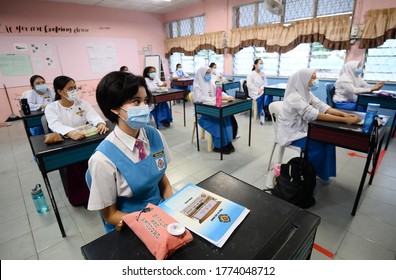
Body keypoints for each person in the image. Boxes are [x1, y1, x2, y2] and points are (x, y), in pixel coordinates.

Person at [87, 71, 173, 233]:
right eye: (136, 101)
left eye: (145, 100)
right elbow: (109, 214)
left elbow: (163, 180)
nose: (144, 107)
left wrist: (171, 209)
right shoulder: (102, 160)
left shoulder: (155, 135)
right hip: (131, 223)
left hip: (163, 212)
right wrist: (149, 223)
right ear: (114, 109)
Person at [277, 68, 361, 181]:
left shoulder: (306, 92)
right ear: (304, 79)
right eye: (313, 77)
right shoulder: (294, 97)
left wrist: (344, 115)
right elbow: (314, 114)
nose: (316, 80)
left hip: (302, 130)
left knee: (329, 141)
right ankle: (310, 175)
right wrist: (345, 121)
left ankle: (324, 174)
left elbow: (322, 107)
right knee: (318, 144)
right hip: (291, 134)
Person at [45, 75, 109, 206]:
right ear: (60, 92)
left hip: (83, 138)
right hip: (67, 142)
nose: (74, 91)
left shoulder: (82, 103)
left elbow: (93, 116)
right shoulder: (52, 108)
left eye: (75, 87)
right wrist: (70, 132)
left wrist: (100, 124)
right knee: (76, 165)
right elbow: (54, 124)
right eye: (70, 88)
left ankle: (101, 191)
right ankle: (82, 197)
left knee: (97, 161)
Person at [192, 66, 235, 154]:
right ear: (202, 74)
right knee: (217, 123)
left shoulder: (210, 83)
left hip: (213, 110)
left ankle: (228, 142)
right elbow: (200, 98)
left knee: (226, 118)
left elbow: (219, 92)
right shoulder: (197, 86)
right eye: (207, 73)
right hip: (203, 115)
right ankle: (218, 146)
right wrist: (215, 99)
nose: (209, 75)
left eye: (209, 73)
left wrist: (227, 96)